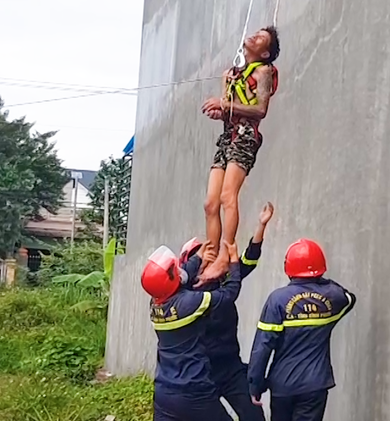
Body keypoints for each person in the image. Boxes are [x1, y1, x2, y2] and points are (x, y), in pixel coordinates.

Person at [179, 202, 275, 421]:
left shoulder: (223, 281)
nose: (208, 259)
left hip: (230, 367)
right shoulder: (183, 294)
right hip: (201, 374)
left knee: (254, 415)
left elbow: (249, 260)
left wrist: (261, 226)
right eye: (203, 255)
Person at [199, 26, 281, 281]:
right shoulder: (230, 75)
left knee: (227, 196)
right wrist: (220, 112)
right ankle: (210, 253)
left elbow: (260, 110)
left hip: (246, 137)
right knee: (210, 202)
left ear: (265, 53)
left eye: (261, 39)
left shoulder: (263, 71)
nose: (254, 37)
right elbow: (230, 111)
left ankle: (226, 252)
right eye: (256, 33)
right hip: (227, 137)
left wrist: (223, 104)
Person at [247, 239, 357, 421]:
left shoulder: (277, 300)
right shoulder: (332, 297)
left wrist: (255, 385)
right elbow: (349, 298)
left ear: (288, 267)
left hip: (283, 385)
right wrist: (321, 282)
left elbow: (262, 347)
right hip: (315, 385)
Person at [142, 239, 242, 421]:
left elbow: (181, 276)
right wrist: (234, 262)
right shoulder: (189, 303)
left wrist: (198, 256)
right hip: (194, 392)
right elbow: (229, 293)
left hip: (164, 393)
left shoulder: (155, 303)